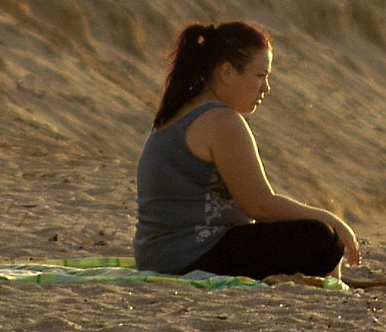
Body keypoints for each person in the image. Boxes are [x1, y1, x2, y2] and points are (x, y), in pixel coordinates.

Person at [134, 21, 361, 280]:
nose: (266, 88)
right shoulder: (220, 120)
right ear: (227, 73)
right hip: (187, 255)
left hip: (158, 254)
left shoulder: (183, 108)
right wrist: (333, 220)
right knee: (321, 237)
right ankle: (329, 280)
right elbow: (260, 206)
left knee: (306, 232)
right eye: (260, 76)